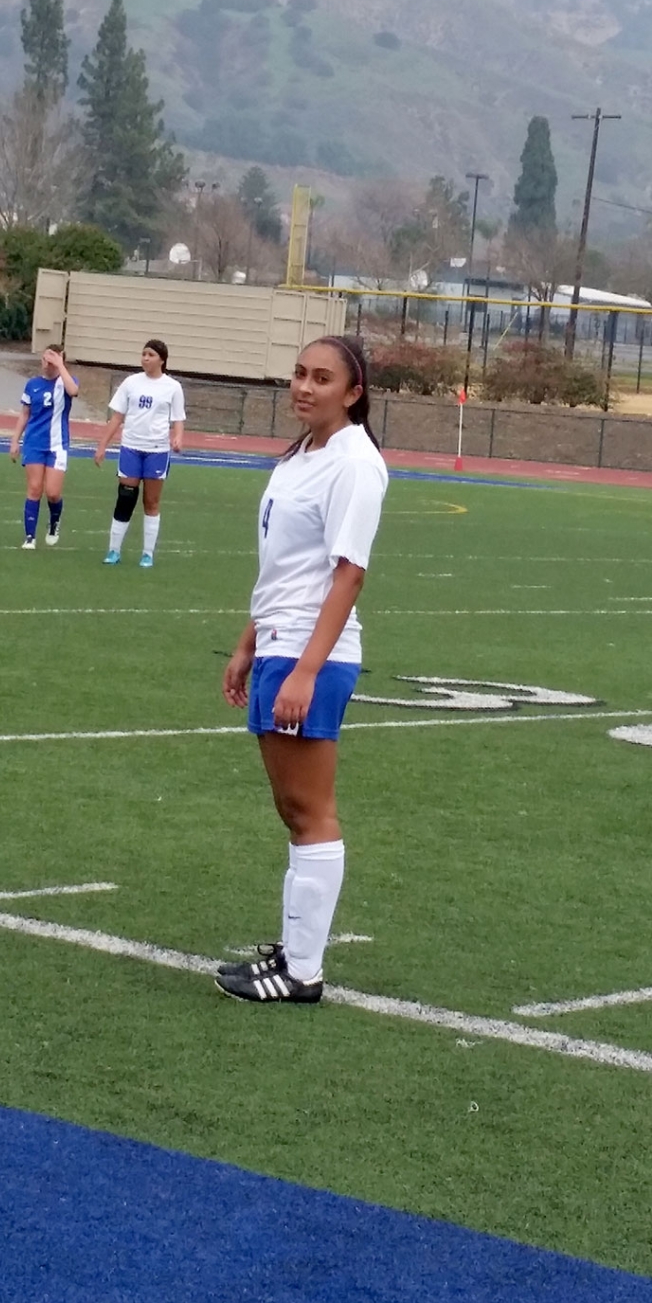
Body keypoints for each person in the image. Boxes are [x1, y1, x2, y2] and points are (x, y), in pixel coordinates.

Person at [218, 335, 387, 1004]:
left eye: (322, 378)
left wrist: (305, 671)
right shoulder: (300, 456)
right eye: (298, 374)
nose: (305, 386)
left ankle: (303, 971)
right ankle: (294, 951)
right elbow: (286, 572)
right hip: (281, 642)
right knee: (293, 810)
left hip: (312, 654)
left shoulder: (353, 462)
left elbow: (349, 574)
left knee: (310, 810)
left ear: (353, 392)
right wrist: (248, 643)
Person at [93, 339, 185, 568]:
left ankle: (147, 553)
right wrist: (102, 445)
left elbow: (178, 418)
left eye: (150, 355)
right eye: (143, 354)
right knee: (125, 498)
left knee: (151, 502)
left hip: (156, 450)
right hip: (131, 447)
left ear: (162, 359)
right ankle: (114, 551)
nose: (145, 358)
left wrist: (178, 437)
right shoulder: (130, 383)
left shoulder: (172, 387)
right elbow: (117, 417)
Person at [9, 346, 79, 549]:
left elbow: (73, 391)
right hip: (34, 443)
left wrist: (60, 364)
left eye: (52, 359)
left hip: (57, 445)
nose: (46, 363)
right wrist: (15, 440)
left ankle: (54, 522)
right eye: (44, 358)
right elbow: (25, 414)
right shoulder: (33, 384)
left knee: (53, 493)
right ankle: (29, 537)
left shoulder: (67, 381)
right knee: (34, 488)